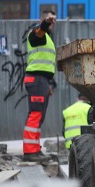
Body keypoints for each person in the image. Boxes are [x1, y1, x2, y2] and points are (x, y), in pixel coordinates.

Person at [23, 10, 57, 162]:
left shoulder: (48, 39)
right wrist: (45, 23)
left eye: (53, 20)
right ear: (42, 19)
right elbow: (40, 31)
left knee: (39, 116)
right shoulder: (36, 34)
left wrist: (49, 83)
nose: (51, 22)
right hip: (36, 79)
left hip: (41, 80)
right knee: (35, 114)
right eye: (48, 19)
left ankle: (35, 149)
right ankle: (30, 151)